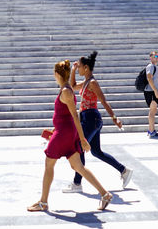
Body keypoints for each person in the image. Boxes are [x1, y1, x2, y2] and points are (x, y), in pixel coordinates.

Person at [27, 60, 112, 212]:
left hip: (64, 135)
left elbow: (75, 116)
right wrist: (55, 129)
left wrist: (82, 139)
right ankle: (104, 194)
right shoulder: (66, 89)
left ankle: (43, 202)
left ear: (57, 74)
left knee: (49, 165)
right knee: (78, 166)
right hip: (64, 132)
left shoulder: (66, 91)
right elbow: (65, 116)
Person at [63, 51, 132, 193]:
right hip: (88, 119)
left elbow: (103, 101)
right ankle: (124, 170)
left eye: (80, 66)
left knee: (79, 146)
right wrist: (74, 70)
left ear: (86, 68)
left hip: (91, 118)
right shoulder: (86, 82)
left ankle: (77, 183)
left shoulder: (92, 83)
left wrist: (115, 119)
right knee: (96, 151)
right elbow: (72, 86)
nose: (79, 68)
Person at [143, 51, 158, 138]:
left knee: (153, 110)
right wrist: (155, 91)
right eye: (155, 56)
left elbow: (154, 79)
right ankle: (151, 131)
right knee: (152, 110)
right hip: (150, 91)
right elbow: (149, 78)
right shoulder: (150, 66)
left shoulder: (155, 67)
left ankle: (151, 129)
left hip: (153, 91)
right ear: (151, 58)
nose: (157, 58)